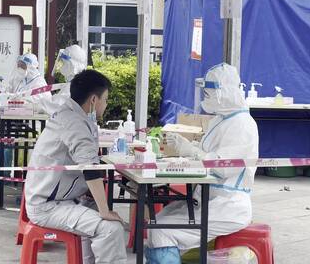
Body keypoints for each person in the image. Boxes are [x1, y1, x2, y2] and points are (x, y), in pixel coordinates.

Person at [146, 63, 259, 263]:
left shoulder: (242, 124)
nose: (205, 97)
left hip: (228, 205)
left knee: (161, 229)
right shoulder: (220, 119)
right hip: (208, 199)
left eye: (209, 93)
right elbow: (207, 152)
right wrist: (186, 147)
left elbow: (224, 167)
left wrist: (191, 150)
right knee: (158, 220)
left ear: (223, 93)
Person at [25, 69, 127, 264]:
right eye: (105, 100)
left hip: (61, 199)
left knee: (98, 211)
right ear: (94, 100)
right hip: (48, 206)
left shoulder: (70, 113)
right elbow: (90, 169)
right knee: (110, 227)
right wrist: (105, 211)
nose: (106, 105)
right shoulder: (74, 123)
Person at [42, 44, 88, 115]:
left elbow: (55, 106)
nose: (62, 66)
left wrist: (35, 105)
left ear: (72, 65)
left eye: (64, 63)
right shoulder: (76, 82)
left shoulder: (75, 86)